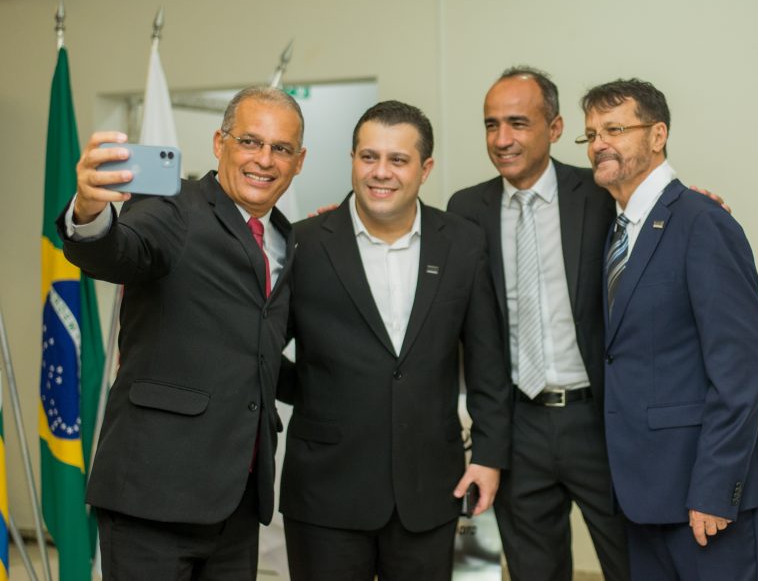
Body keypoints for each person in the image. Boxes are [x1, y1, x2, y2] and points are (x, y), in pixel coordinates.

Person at [59, 86, 306, 578]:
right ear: (219, 143)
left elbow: (256, 353)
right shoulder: (174, 207)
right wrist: (88, 212)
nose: (264, 159)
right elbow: (120, 251)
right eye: (250, 141)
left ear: (299, 162)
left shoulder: (284, 238)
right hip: (152, 496)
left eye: (281, 148)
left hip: (236, 502)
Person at [278, 100, 511, 581]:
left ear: (425, 169)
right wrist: (313, 389)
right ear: (352, 159)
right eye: (369, 157)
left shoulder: (463, 243)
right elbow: (259, 350)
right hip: (325, 493)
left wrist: (489, 457)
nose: (380, 172)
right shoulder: (302, 244)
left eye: (398, 160)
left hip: (432, 489)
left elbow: (487, 361)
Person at [582, 78, 758, 581]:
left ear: (658, 135)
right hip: (642, 495)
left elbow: (741, 373)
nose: (599, 143)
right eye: (591, 134)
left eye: (614, 129)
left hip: (704, 497)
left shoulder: (702, 222)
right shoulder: (616, 230)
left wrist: (715, 488)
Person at [448, 67, 630, 581]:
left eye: (518, 123)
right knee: (533, 571)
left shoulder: (598, 194)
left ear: (554, 128)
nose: (501, 139)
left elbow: (657, 226)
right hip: (518, 426)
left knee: (635, 564)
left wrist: (700, 202)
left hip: (599, 421)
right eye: (491, 125)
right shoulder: (467, 209)